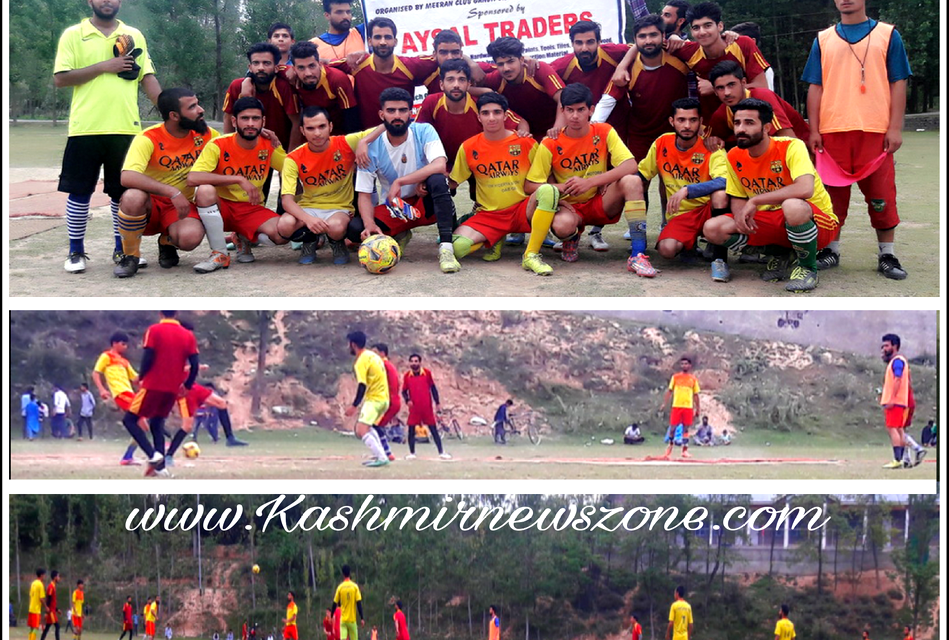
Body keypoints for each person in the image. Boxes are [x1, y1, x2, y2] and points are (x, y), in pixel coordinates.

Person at [802, 0, 911, 279]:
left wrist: (895, 127)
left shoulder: (888, 34)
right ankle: (831, 250)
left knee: (882, 195)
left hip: (875, 130)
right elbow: (815, 86)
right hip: (832, 130)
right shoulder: (823, 39)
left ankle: (887, 253)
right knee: (831, 196)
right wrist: (814, 129)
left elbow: (899, 81)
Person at [54, 0, 162, 274]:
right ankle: (76, 252)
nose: (107, 1)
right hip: (85, 127)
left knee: (122, 194)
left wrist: (172, 110)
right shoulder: (73, 34)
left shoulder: (133, 35)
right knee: (79, 192)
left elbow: (147, 77)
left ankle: (123, 250)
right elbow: (62, 78)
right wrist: (106, 65)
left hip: (126, 128)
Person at [701, 98, 839, 293]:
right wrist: (741, 217)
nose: (741, 129)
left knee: (792, 205)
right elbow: (738, 196)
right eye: (738, 123)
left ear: (766, 127)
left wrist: (757, 200)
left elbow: (805, 189)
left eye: (749, 123)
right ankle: (780, 254)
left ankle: (808, 268)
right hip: (770, 220)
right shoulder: (734, 155)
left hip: (815, 221)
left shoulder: (792, 146)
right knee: (713, 228)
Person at [594, 14, 690, 257]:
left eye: (653, 35)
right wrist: (592, 129)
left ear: (663, 37)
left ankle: (669, 226)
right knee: (637, 181)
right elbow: (607, 100)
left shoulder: (680, 56)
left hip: (673, 133)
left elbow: (714, 51)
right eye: (642, 36)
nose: (648, 40)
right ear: (635, 40)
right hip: (639, 132)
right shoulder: (626, 69)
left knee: (670, 182)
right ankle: (639, 230)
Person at [525, 84, 639, 268]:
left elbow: (631, 165)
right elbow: (530, 186)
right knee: (562, 226)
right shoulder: (550, 142)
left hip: (599, 200)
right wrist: (563, 188)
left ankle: (638, 253)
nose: (575, 116)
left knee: (632, 181)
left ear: (591, 110)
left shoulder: (604, 131)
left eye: (581, 110)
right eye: (569, 110)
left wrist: (590, 182)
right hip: (569, 206)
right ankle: (571, 237)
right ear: (562, 111)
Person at [349, 87, 459, 273]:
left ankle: (446, 248)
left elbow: (440, 165)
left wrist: (400, 182)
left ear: (411, 112)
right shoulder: (371, 147)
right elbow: (365, 194)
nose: (397, 115)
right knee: (354, 228)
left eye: (402, 110)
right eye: (391, 111)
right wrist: (369, 224)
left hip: (425, 203)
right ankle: (401, 232)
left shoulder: (424, 131)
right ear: (381, 114)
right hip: (396, 208)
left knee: (438, 180)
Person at [113, 87, 217, 277]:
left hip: (180, 208)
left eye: (197, 103)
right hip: (150, 206)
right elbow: (127, 176)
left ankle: (166, 242)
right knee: (132, 196)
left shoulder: (205, 134)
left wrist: (262, 134)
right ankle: (130, 256)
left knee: (190, 238)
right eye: (192, 107)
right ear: (174, 116)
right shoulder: (148, 138)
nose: (200, 110)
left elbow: (232, 144)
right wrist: (172, 192)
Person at [449, 93, 555, 275]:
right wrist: (427, 182)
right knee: (457, 248)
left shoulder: (525, 142)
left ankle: (531, 254)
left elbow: (546, 174)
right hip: (490, 215)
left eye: (497, 112)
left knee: (547, 191)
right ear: (479, 116)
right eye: (486, 113)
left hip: (523, 209)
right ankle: (495, 237)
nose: (491, 118)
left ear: (505, 116)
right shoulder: (468, 147)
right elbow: (453, 182)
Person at [628, 96, 728, 279]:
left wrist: (688, 190)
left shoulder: (711, 147)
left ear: (701, 122)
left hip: (707, 209)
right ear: (672, 121)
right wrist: (615, 184)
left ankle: (720, 259)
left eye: (692, 120)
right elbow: (642, 174)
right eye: (681, 120)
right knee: (667, 250)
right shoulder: (662, 143)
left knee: (720, 195)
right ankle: (689, 245)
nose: (687, 126)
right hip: (681, 215)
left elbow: (725, 181)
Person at [614, 2, 771, 119]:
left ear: (720, 26)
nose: (702, 32)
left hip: (749, 117)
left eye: (708, 25)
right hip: (712, 126)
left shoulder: (742, 44)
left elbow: (762, 88)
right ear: (691, 31)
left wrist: (716, 88)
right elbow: (646, 40)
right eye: (696, 28)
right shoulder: (689, 51)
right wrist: (622, 66)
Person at [189, 97, 289, 270]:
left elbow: (293, 169)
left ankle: (243, 237)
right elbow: (193, 178)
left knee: (283, 234)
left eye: (255, 119)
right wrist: (238, 179)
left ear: (263, 121)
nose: (250, 123)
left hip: (250, 208)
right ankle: (219, 253)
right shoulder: (219, 144)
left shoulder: (269, 144)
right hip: (221, 208)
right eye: (245, 118)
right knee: (205, 191)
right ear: (234, 121)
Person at [279, 106, 373, 265]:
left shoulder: (345, 143)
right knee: (284, 225)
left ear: (330, 126)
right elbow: (287, 201)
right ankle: (309, 241)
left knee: (336, 228)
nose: (317, 133)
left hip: (338, 208)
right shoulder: (293, 158)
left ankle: (337, 243)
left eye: (321, 126)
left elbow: (382, 128)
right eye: (310, 128)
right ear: (302, 130)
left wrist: (364, 141)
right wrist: (308, 219)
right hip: (309, 207)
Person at [120, 311, 200, 477]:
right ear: (177, 313)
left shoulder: (154, 330)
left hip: (152, 385)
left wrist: (141, 376)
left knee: (129, 420)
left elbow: (148, 356)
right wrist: (188, 384)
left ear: (160, 312)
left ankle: (153, 455)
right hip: (172, 389)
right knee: (157, 423)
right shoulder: (188, 335)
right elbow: (195, 364)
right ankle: (160, 468)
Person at [416, 59, 525, 173]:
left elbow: (521, 123)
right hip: (444, 164)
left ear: (469, 84)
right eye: (450, 80)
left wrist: (522, 136)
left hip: (480, 162)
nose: (456, 85)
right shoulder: (431, 102)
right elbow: (417, 137)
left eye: (461, 80)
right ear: (441, 84)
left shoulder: (481, 103)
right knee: (435, 181)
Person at [330, 17, 437, 129]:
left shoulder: (409, 66)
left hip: (402, 136)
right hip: (367, 139)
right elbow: (321, 65)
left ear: (395, 41)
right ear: (370, 41)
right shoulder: (357, 63)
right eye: (378, 37)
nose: (383, 42)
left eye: (387, 37)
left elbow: (440, 59)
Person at [706, 61, 809, 150]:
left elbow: (791, 142)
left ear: (743, 82)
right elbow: (706, 142)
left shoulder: (763, 97)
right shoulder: (720, 114)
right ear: (715, 91)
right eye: (720, 88)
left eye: (731, 85)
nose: (727, 92)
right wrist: (713, 141)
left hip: (806, 150)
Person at [480, 37, 565, 141]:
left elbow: (564, 98)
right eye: (500, 64)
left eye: (510, 61)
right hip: (526, 137)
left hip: (555, 134)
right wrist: (485, 91)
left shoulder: (536, 69)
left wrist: (556, 130)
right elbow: (465, 74)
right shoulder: (496, 79)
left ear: (521, 59)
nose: (506, 68)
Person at [225, 43, 300, 153]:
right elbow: (228, 118)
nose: (261, 68)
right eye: (256, 63)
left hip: (280, 147)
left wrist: (291, 157)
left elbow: (296, 122)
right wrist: (229, 150)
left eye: (266, 63)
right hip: (249, 147)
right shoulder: (237, 86)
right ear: (250, 67)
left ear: (276, 67)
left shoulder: (283, 87)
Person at [93, 330, 147, 465]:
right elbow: (96, 373)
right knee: (142, 424)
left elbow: (135, 379)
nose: (125, 347)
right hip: (121, 394)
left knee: (142, 426)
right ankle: (135, 455)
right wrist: (102, 389)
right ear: (115, 343)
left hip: (129, 393)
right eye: (123, 344)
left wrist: (149, 372)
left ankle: (128, 456)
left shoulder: (124, 362)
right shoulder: (107, 356)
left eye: (126, 344)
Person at [290, 42, 360, 135]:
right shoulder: (291, 80)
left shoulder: (337, 79)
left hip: (339, 135)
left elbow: (351, 119)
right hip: (310, 135)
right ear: (294, 69)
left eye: (312, 66)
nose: (308, 73)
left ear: (319, 64)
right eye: (301, 68)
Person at [344, 331, 391, 467]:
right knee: (368, 428)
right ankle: (381, 455)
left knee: (361, 430)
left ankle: (382, 457)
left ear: (353, 345)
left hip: (374, 399)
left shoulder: (361, 361)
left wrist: (354, 405)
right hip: (384, 399)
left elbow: (362, 385)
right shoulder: (373, 356)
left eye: (349, 344)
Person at [879, 333, 924, 469]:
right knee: (899, 430)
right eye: (883, 346)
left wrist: (892, 398)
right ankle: (905, 458)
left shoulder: (897, 361)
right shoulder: (898, 361)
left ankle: (897, 460)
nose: (884, 349)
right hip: (900, 401)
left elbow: (898, 379)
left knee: (893, 429)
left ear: (895, 346)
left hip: (896, 402)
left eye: (886, 346)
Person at [401, 353, 451, 460]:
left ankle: (441, 452)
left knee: (433, 429)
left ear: (420, 362)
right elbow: (404, 391)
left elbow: (433, 389)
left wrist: (437, 403)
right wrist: (407, 400)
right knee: (411, 429)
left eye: (416, 361)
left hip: (427, 407)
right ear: (409, 363)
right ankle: (412, 453)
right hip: (414, 408)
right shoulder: (407, 376)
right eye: (412, 361)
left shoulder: (427, 373)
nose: (414, 363)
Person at [660, 357, 700, 459]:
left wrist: (698, 408)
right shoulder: (675, 377)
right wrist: (664, 403)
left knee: (686, 429)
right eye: (682, 364)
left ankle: (684, 450)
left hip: (688, 406)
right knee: (672, 428)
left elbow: (696, 395)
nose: (684, 366)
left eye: (686, 364)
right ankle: (670, 446)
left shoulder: (693, 379)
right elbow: (669, 391)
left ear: (690, 366)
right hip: (676, 406)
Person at [371, 344, 401, 462]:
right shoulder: (389, 366)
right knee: (376, 426)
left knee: (374, 426)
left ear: (382, 353)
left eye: (375, 352)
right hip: (393, 401)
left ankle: (386, 453)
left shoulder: (382, 365)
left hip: (388, 401)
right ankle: (383, 452)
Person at [729, 22, 775, 91]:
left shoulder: (764, 69)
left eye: (737, 42)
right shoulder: (737, 65)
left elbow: (765, 93)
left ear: (752, 41)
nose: (733, 46)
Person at [333, 566, 365, 640]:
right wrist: (362, 618)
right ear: (350, 573)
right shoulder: (354, 587)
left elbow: (336, 602)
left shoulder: (340, 587)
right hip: (352, 620)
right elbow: (359, 604)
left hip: (343, 620)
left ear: (342, 574)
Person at [41, 571, 62, 640]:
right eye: (58, 576)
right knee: (57, 626)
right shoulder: (51, 586)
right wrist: (46, 611)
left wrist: (57, 609)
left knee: (47, 627)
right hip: (50, 612)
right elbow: (49, 599)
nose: (59, 578)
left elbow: (52, 601)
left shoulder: (53, 586)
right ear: (55, 577)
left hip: (52, 610)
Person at [28, 569, 48, 640]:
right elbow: (41, 598)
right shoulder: (40, 584)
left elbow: (31, 595)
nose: (45, 576)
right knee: (36, 627)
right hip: (36, 610)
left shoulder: (33, 583)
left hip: (31, 608)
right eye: (44, 575)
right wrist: (46, 607)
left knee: (31, 627)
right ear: (42, 575)